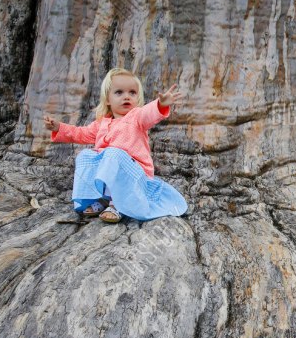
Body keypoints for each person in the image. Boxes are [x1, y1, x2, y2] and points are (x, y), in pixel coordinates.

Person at [42, 68, 188, 223]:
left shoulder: (136, 117)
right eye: (119, 92)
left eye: (132, 93)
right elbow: (81, 133)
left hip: (135, 175)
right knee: (85, 155)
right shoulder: (102, 123)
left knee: (112, 153)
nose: (126, 96)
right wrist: (59, 127)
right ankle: (100, 198)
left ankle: (116, 205)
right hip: (111, 168)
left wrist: (160, 104)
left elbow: (148, 114)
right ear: (108, 100)